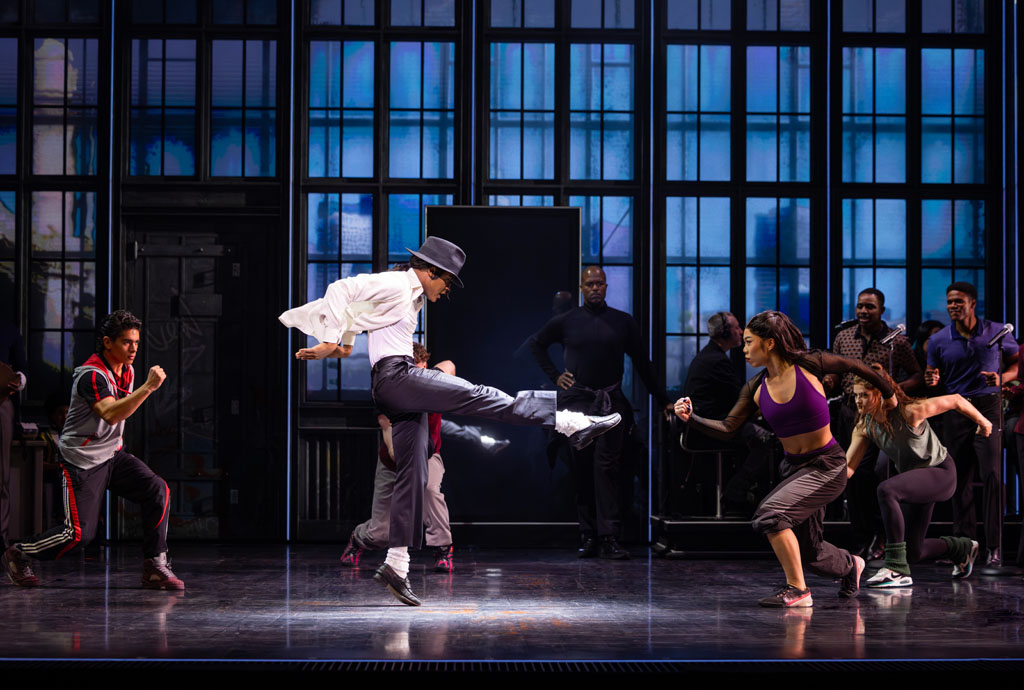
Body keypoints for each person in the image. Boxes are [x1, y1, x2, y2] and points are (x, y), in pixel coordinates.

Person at [280, 237, 621, 605]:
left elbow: (357, 308)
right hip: (398, 377)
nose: (446, 292)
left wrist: (344, 345)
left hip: (393, 384)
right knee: (480, 395)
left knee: (414, 473)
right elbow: (341, 289)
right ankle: (571, 422)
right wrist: (330, 340)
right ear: (431, 271)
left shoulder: (409, 296)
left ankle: (396, 565)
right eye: (446, 282)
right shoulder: (396, 283)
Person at [673, 310, 897, 608]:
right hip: (794, 470)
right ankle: (850, 565)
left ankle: (798, 590)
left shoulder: (810, 363)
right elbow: (728, 428)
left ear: (769, 343)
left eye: (749, 341)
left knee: (770, 515)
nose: (744, 348)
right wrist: (692, 418)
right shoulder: (755, 387)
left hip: (827, 466)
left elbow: (856, 365)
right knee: (811, 552)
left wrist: (889, 394)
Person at [1, 310, 184, 590]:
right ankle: (18, 553)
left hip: (112, 455)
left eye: (136, 342)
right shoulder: (91, 375)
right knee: (78, 535)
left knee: (157, 489)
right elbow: (110, 414)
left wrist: (142, 388)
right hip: (82, 461)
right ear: (108, 342)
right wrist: (148, 388)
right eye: (127, 342)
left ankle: (155, 565)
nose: (133, 348)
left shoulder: (127, 370)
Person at [529, 266, 671, 559]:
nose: (595, 288)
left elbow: (643, 363)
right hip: (577, 402)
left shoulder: (622, 322)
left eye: (599, 284)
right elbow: (536, 345)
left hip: (610, 401)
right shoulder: (567, 321)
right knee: (581, 466)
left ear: (606, 286)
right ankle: (588, 535)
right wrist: (556, 376)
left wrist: (663, 400)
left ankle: (609, 537)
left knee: (607, 468)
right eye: (590, 284)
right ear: (582, 288)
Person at [847, 364, 989, 587]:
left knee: (887, 490)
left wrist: (983, 423)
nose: (858, 401)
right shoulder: (864, 427)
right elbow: (848, 469)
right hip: (915, 482)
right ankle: (962, 548)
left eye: (864, 395)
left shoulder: (910, 411)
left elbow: (956, 400)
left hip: (941, 474)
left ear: (879, 394)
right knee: (914, 552)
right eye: (856, 395)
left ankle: (895, 568)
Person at [340, 344, 458, 573]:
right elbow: (390, 439)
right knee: (380, 533)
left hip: (428, 457)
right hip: (393, 462)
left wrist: (431, 376)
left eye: (419, 369)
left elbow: (449, 365)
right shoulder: (389, 394)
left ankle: (443, 548)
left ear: (424, 367)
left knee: (430, 490)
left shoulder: (433, 383)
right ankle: (357, 538)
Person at [925, 282, 1019, 566]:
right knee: (959, 478)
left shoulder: (996, 332)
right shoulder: (939, 339)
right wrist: (932, 379)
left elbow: (1017, 364)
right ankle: (964, 547)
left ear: (972, 304)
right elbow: (931, 374)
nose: (953, 306)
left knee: (992, 475)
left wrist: (1002, 378)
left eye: (958, 301)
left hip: (988, 406)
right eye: (950, 302)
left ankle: (994, 547)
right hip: (956, 408)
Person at [824, 288, 921, 559]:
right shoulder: (844, 337)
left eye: (869, 307)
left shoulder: (896, 342)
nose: (863, 312)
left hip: (881, 415)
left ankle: (882, 534)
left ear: (881, 311)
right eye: (860, 307)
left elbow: (917, 375)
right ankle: (862, 537)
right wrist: (829, 380)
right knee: (853, 475)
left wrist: (892, 389)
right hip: (849, 411)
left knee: (876, 474)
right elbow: (836, 373)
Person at [682, 311, 774, 515]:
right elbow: (740, 399)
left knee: (757, 434)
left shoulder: (711, 355)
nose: (741, 332)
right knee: (765, 440)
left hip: (706, 424)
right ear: (724, 332)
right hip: (711, 427)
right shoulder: (716, 360)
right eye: (737, 328)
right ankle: (735, 494)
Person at [0, 319, 27, 552]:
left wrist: (17, 380)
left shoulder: (7, 329)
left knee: (1, 474)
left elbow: (23, 369)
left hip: (1, 401)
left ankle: (0, 538)